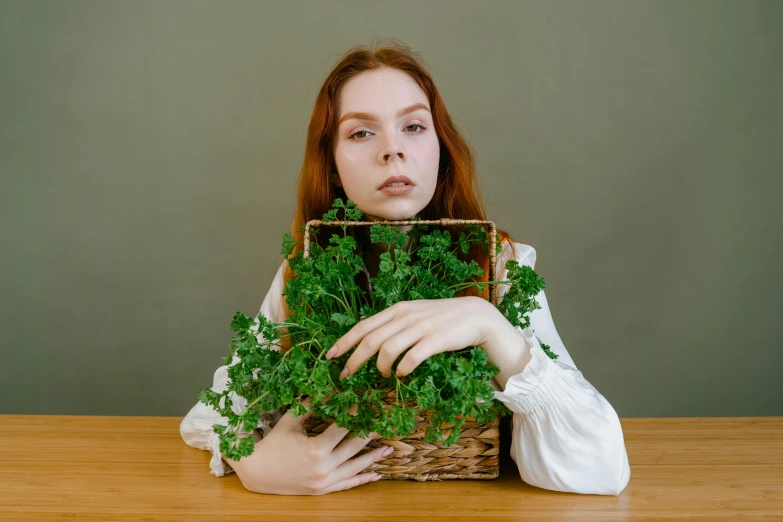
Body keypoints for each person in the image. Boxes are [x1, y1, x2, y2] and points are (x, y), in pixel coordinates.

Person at [180, 39, 631, 496]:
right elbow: (215, 412)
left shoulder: (500, 266)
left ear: (441, 149)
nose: (392, 151)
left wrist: (489, 325)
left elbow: (603, 467)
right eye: (360, 133)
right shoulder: (309, 270)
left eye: (414, 127)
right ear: (333, 165)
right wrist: (250, 462)